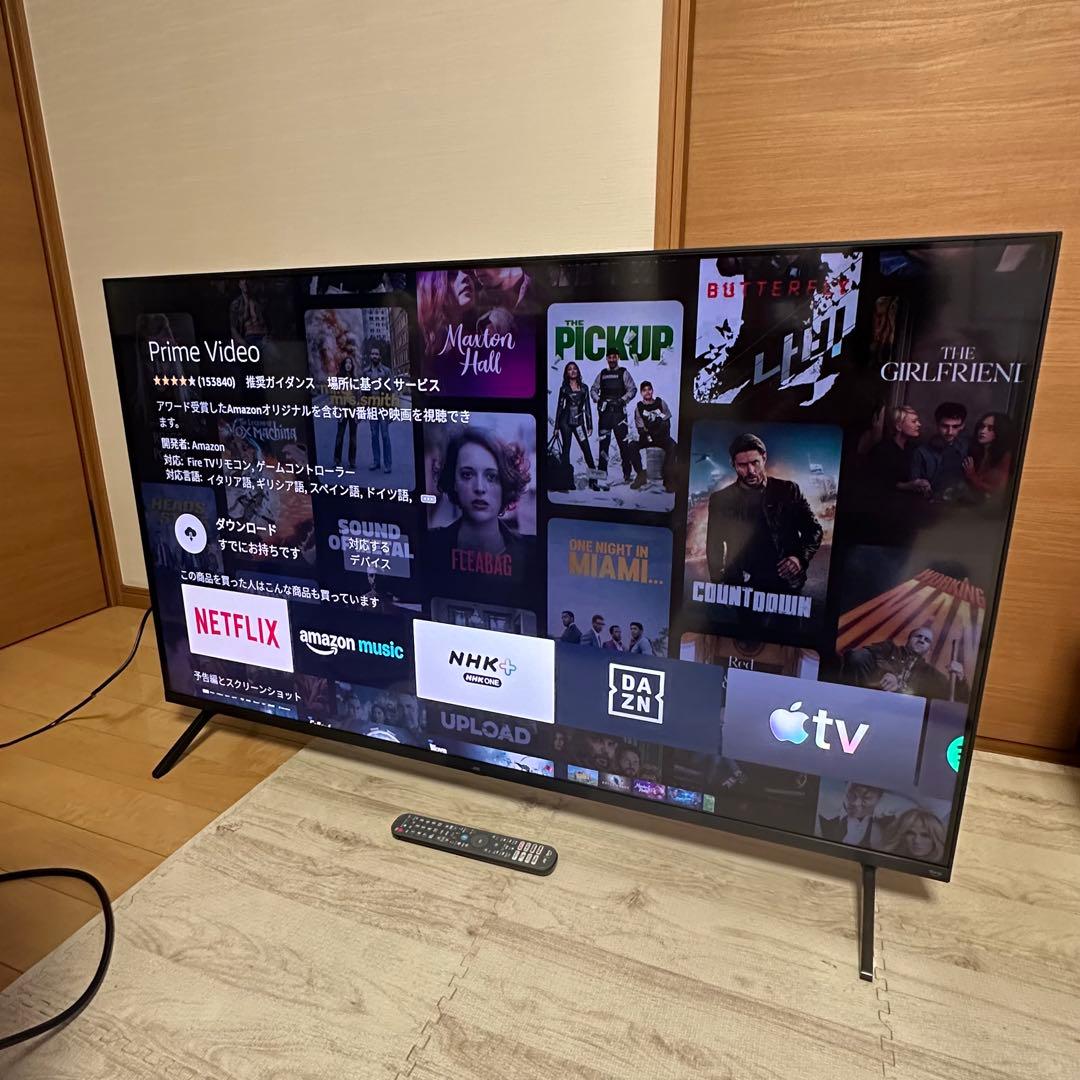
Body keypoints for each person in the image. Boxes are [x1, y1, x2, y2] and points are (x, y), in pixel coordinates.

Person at [706, 433, 823, 594]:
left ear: (764, 458)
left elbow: (814, 529)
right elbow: (714, 545)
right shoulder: (720, 499)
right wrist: (719, 584)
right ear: (733, 464)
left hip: (785, 581)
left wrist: (799, 558)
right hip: (743, 583)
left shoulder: (788, 490)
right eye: (742, 465)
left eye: (755, 462)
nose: (751, 471)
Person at [425, 427, 534, 589]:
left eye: (491, 477)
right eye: (467, 475)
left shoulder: (532, 553)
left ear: (505, 483)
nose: (480, 488)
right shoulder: (429, 544)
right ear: (453, 482)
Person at [842, 625, 968, 701]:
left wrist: (960, 679)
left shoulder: (932, 674)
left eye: (927, 640)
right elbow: (857, 656)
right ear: (908, 640)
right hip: (873, 697)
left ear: (929, 650)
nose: (922, 640)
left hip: (905, 714)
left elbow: (956, 698)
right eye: (918, 636)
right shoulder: (888, 648)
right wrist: (886, 673)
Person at [590, 348, 640, 488]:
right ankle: (602, 474)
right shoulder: (602, 374)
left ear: (618, 358)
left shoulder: (623, 372)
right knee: (603, 446)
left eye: (614, 357)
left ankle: (627, 474)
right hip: (605, 415)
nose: (612, 359)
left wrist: (622, 400)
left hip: (619, 415)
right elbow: (593, 389)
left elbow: (633, 389)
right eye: (609, 357)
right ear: (607, 359)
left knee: (624, 446)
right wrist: (598, 400)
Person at [865, 405, 932, 497]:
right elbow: (878, 483)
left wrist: (923, 484)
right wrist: (907, 486)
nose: (919, 424)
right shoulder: (882, 450)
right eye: (914, 421)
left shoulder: (914, 449)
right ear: (899, 426)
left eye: (918, 421)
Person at [912, 402, 969, 499]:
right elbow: (914, 484)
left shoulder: (966, 446)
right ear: (937, 424)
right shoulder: (920, 452)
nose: (950, 432)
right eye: (945, 426)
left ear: (962, 425)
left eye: (955, 427)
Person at [416, 269, 480, 356]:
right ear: (433, 289)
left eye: (468, 272)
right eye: (452, 275)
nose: (466, 276)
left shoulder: (478, 334)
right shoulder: (429, 347)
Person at [553, 361, 596, 484]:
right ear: (566, 373)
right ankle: (566, 481)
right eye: (569, 369)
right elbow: (560, 407)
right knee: (566, 450)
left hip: (579, 423)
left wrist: (589, 425)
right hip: (565, 422)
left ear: (578, 371)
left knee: (586, 449)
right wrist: (556, 427)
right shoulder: (564, 388)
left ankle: (594, 480)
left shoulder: (584, 388)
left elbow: (587, 407)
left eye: (574, 368)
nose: (572, 371)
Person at [630, 381, 677, 492]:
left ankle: (668, 478)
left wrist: (661, 430)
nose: (647, 392)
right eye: (644, 390)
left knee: (673, 446)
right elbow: (641, 429)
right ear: (641, 392)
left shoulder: (661, 403)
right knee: (632, 445)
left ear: (652, 390)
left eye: (649, 389)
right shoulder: (639, 407)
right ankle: (641, 476)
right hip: (648, 437)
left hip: (662, 436)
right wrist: (648, 433)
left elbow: (667, 422)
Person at [817, 783, 895, 848]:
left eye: (866, 798)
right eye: (853, 793)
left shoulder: (875, 832)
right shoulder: (825, 807)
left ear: (879, 799)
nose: (856, 802)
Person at [962, 412, 1015, 501]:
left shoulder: (1005, 457)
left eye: (990, 428)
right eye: (982, 426)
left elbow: (997, 491)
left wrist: (972, 476)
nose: (983, 431)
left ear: (1000, 431)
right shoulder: (980, 451)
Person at [363, 338, 393, 473]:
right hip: (372, 408)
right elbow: (364, 392)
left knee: (385, 436)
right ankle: (376, 461)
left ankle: (388, 464)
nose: (374, 356)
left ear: (380, 356)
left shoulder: (386, 371)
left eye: (376, 354)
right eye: (372, 354)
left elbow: (392, 391)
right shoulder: (366, 372)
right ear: (370, 356)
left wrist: (392, 410)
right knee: (374, 436)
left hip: (384, 408)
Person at [331, 340, 360, 471]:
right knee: (339, 436)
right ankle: (337, 460)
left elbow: (358, 397)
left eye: (350, 363)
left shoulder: (355, 379)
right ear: (343, 365)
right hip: (343, 411)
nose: (348, 365)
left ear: (352, 366)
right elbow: (335, 396)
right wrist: (338, 412)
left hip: (353, 411)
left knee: (353, 437)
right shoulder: (338, 377)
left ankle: (352, 461)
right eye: (346, 363)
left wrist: (358, 413)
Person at [229, 279, 268, 347]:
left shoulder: (259, 302)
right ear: (239, 284)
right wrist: (243, 343)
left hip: (262, 337)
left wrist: (266, 337)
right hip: (246, 339)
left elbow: (266, 323)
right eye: (242, 280)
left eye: (247, 280)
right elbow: (233, 329)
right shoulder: (236, 304)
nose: (245, 283)